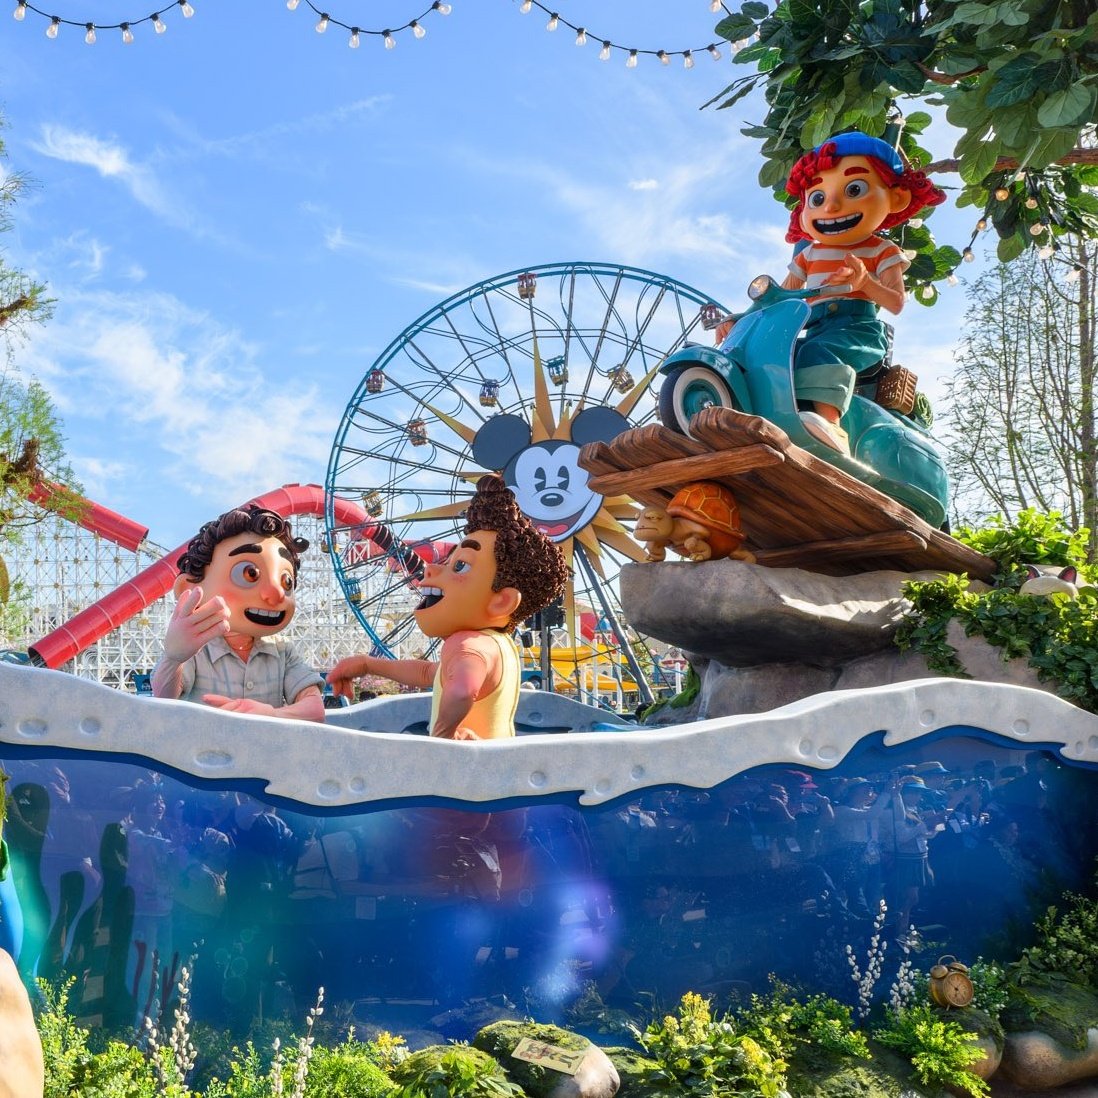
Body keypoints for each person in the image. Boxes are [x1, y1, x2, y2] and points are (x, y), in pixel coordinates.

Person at [327, 474, 568, 740]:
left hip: (466, 774)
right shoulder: (497, 644)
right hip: (497, 769)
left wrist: (442, 737)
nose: (431, 569)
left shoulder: (468, 644)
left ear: (502, 601)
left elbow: (462, 690)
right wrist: (367, 664)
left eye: (460, 565)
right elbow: (430, 673)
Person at [777, 131, 945, 454]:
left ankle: (832, 426)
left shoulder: (881, 249)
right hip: (814, 326)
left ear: (895, 198)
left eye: (854, 189)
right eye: (817, 198)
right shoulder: (808, 255)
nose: (833, 205)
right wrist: (741, 319)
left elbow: (896, 302)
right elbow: (779, 298)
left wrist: (865, 282)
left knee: (818, 352)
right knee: (781, 355)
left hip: (858, 329)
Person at [151, 505, 324, 721]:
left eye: (286, 581)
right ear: (189, 588)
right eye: (250, 574)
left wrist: (270, 714)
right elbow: (164, 700)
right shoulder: (196, 650)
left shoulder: (282, 650)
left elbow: (315, 710)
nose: (276, 593)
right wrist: (173, 659)